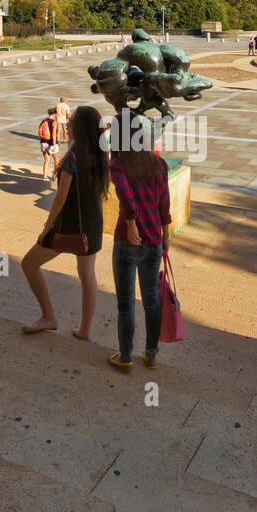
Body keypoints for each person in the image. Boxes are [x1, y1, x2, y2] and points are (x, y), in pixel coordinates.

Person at [21, 106, 109, 340]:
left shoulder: (73, 155)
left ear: (79, 128)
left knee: (29, 264)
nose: (66, 125)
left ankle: (49, 316)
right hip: (92, 223)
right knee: (87, 275)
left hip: (67, 224)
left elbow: (60, 198)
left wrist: (46, 228)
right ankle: (85, 330)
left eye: (70, 122)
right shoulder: (100, 153)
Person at [106, 109, 172, 372]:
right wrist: (166, 236)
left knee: (126, 303)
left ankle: (125, 357)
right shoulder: (159, 164)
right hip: (154, 239)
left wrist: (132, 222)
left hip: (128, 240)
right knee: (151, 300)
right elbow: (164, 204)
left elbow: (125, 194)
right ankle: (151, 354)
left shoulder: (119, 165)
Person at [38, 107, 59, 180]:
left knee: (47, 160)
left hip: (43, 142)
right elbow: (53, 135)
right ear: (54, 114)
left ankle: (45, 176)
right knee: (56, 159)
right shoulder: (54, 122)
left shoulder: (44, 120)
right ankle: (55, 176)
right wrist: (53, 145)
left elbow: (40, 131)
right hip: (51, 143)